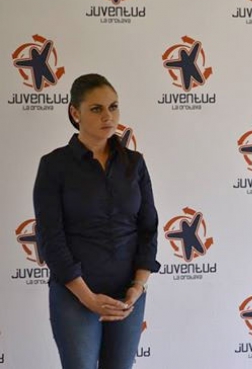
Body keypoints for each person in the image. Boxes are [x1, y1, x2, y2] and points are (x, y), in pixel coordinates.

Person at [33, 73, 161, 369]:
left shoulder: (135, 163)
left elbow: (148, 228)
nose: (108, 116)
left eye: (113, 107)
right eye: (96, 109)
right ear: (75, 113)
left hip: (127, 294)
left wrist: (138, 286)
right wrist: (87, 297)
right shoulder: (54, 166)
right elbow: (51, 238)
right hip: (74, 295)